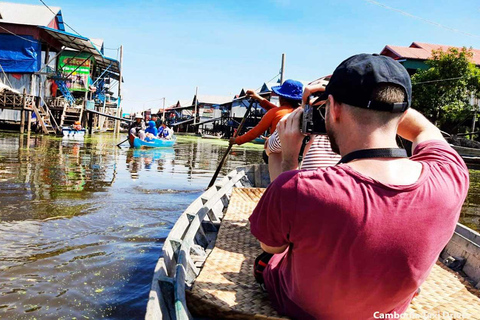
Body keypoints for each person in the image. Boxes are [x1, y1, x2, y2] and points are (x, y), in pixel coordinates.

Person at [249, 54, 469, 320]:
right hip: (387, 312)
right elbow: (425, 130)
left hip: (300, 308)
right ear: (401, 113)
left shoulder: (296, 188)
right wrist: (389, 107)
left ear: (333, 107)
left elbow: (272, 247)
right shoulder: (450, 173)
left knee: (267, 261)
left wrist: (288, 160)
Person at [230, 79, 303, 178]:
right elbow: (277, 111)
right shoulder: (300, 112)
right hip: (299, 152)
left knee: (268, 154)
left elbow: (255, 132)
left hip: (280, 153)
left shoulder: (275, 112)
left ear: (282, 98)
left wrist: (237, 140)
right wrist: (258, 98)